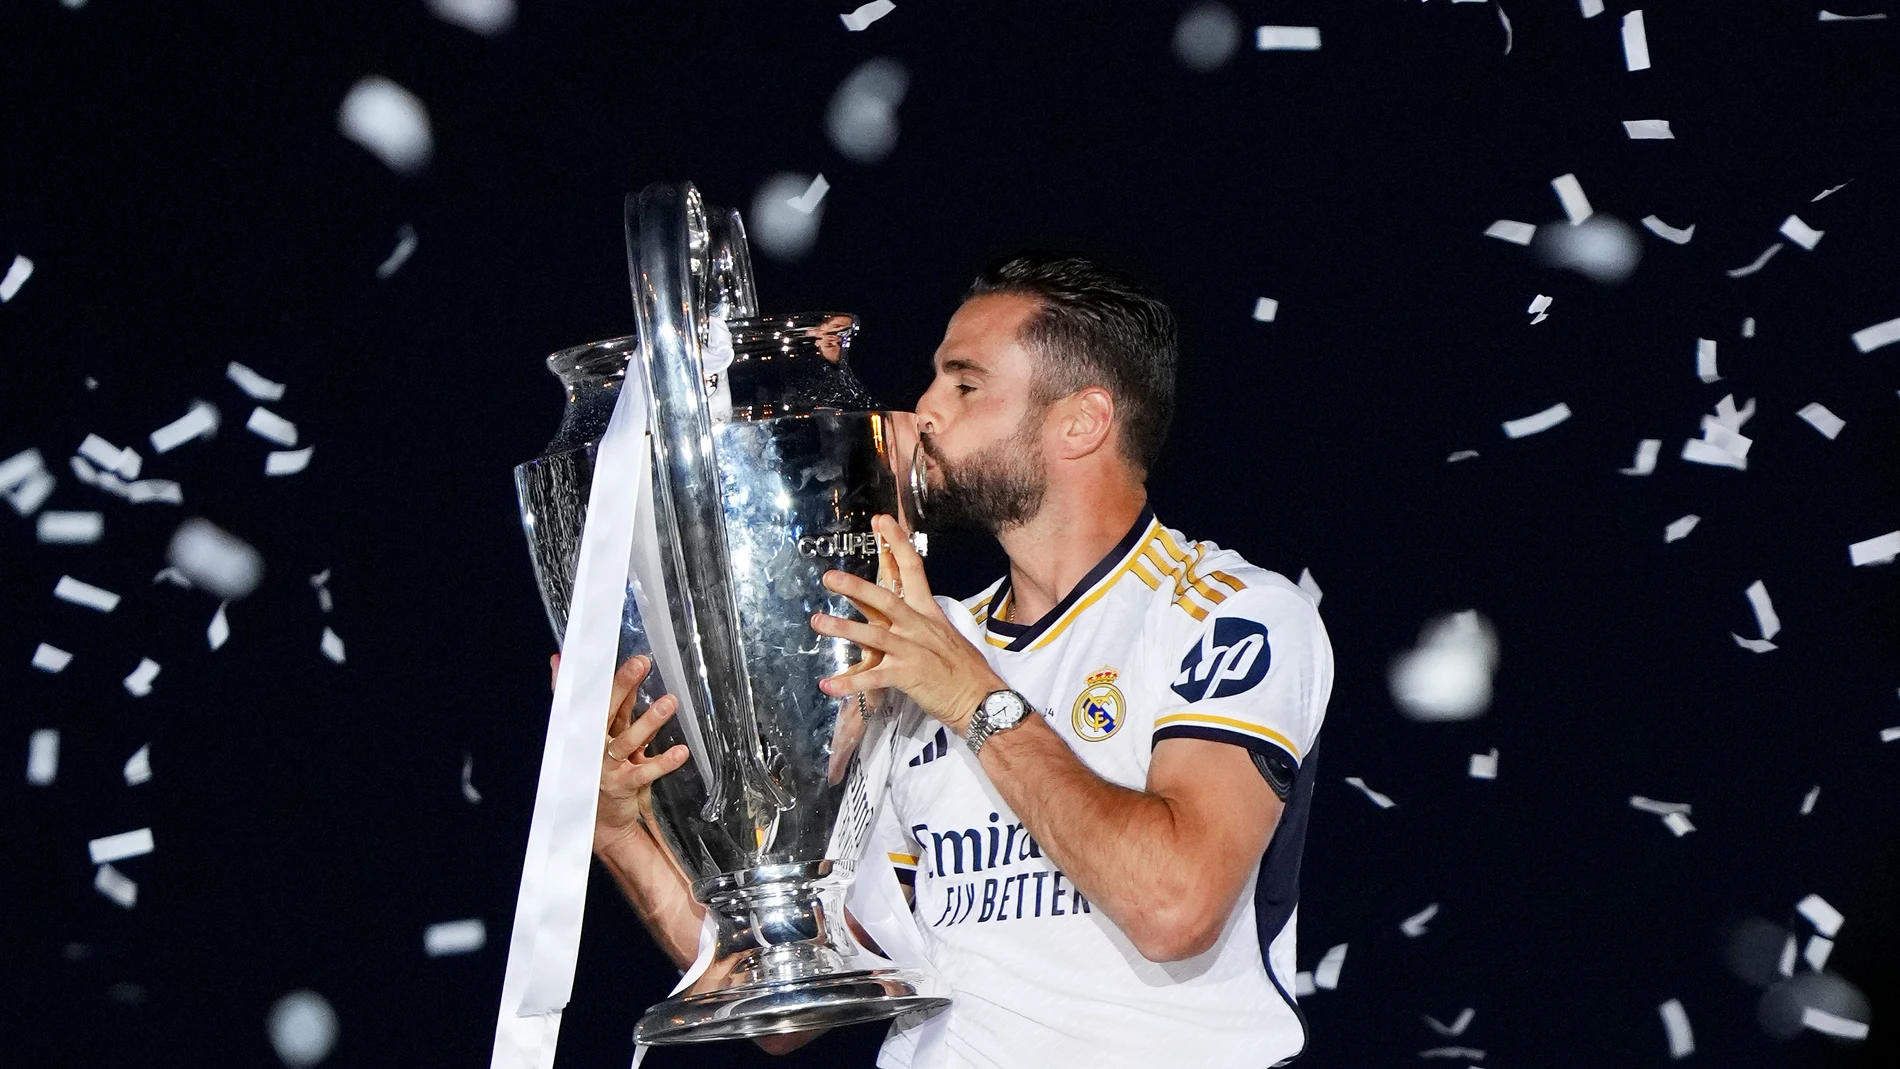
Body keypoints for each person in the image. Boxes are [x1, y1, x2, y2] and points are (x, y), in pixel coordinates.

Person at [581, 253, 1334, 1068]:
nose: (923, 410)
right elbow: (787, 1006)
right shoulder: (920, 642)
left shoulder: (1231, 612)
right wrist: (621, 834)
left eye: (965, 385)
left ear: (1081, 422)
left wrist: (974, 699)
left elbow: (1174, 905)